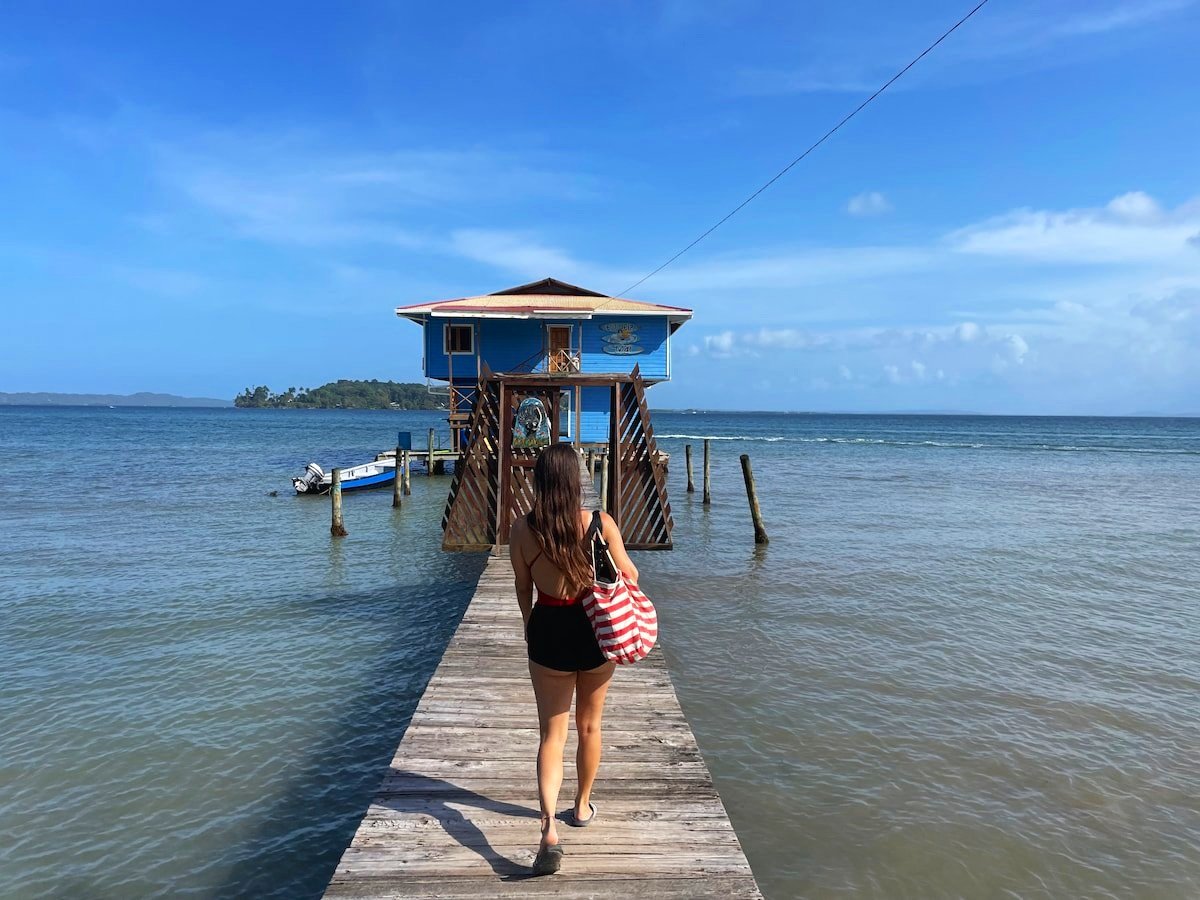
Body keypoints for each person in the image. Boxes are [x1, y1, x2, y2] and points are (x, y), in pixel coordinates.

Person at [509, 442, 639, 876]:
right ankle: (581, 807)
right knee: (590, 725)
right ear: (576, 480)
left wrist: (531, 625)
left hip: (548, 628)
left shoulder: (522, 529)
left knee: (552, 734)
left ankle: (548, 830)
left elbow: (522, 586)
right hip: (595, 631)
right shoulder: (599, 522)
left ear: (540, 481)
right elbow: (630, 575)